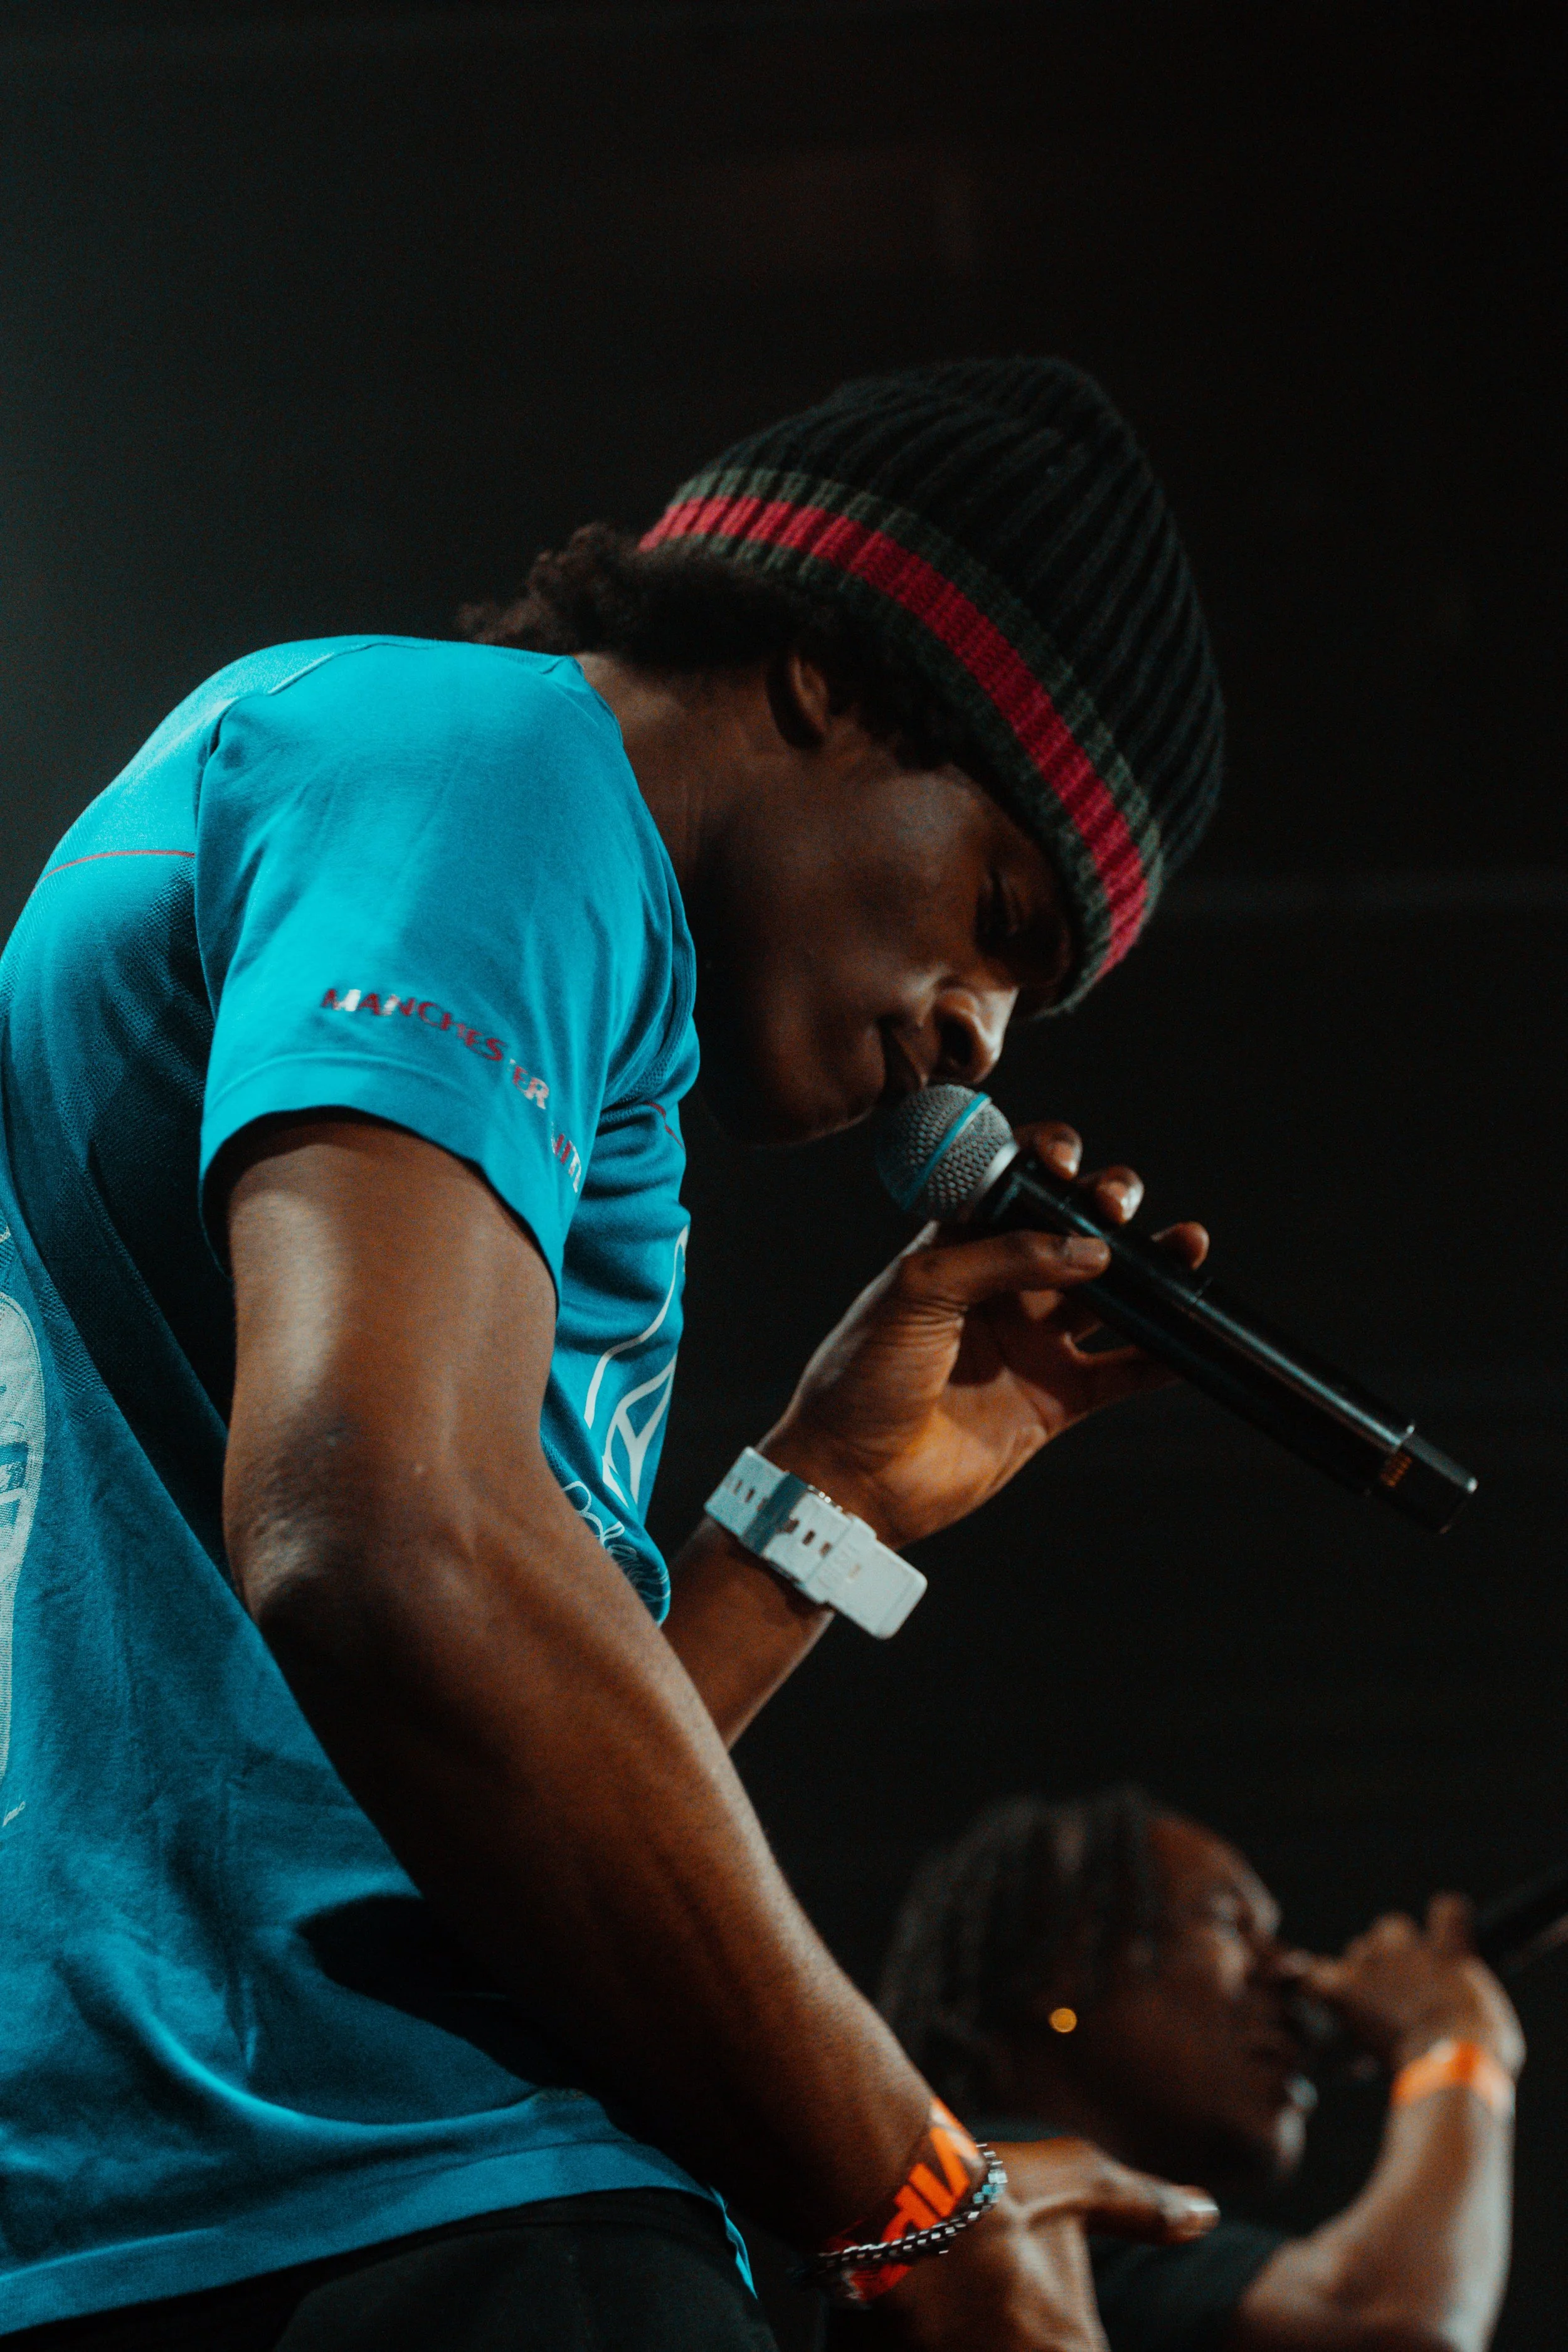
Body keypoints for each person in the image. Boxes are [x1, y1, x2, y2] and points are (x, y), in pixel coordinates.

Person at [0, 362, 1229, 2350]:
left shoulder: (411, 832)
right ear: (827, 677)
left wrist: (823, 1498)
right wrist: (915, 2187)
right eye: (993, 914)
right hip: (395, 2192)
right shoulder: (501, 772)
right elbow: (382, 1545)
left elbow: (457, 1788)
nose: (984, 1033)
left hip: (177, 2204)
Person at [864, 1789, 1523, 2351]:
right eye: (1229, 1921)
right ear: (1062, 1964)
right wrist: (1452, 2039)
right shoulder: (988, 2198)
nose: (1289, 1972)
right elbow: (1394, 2316)